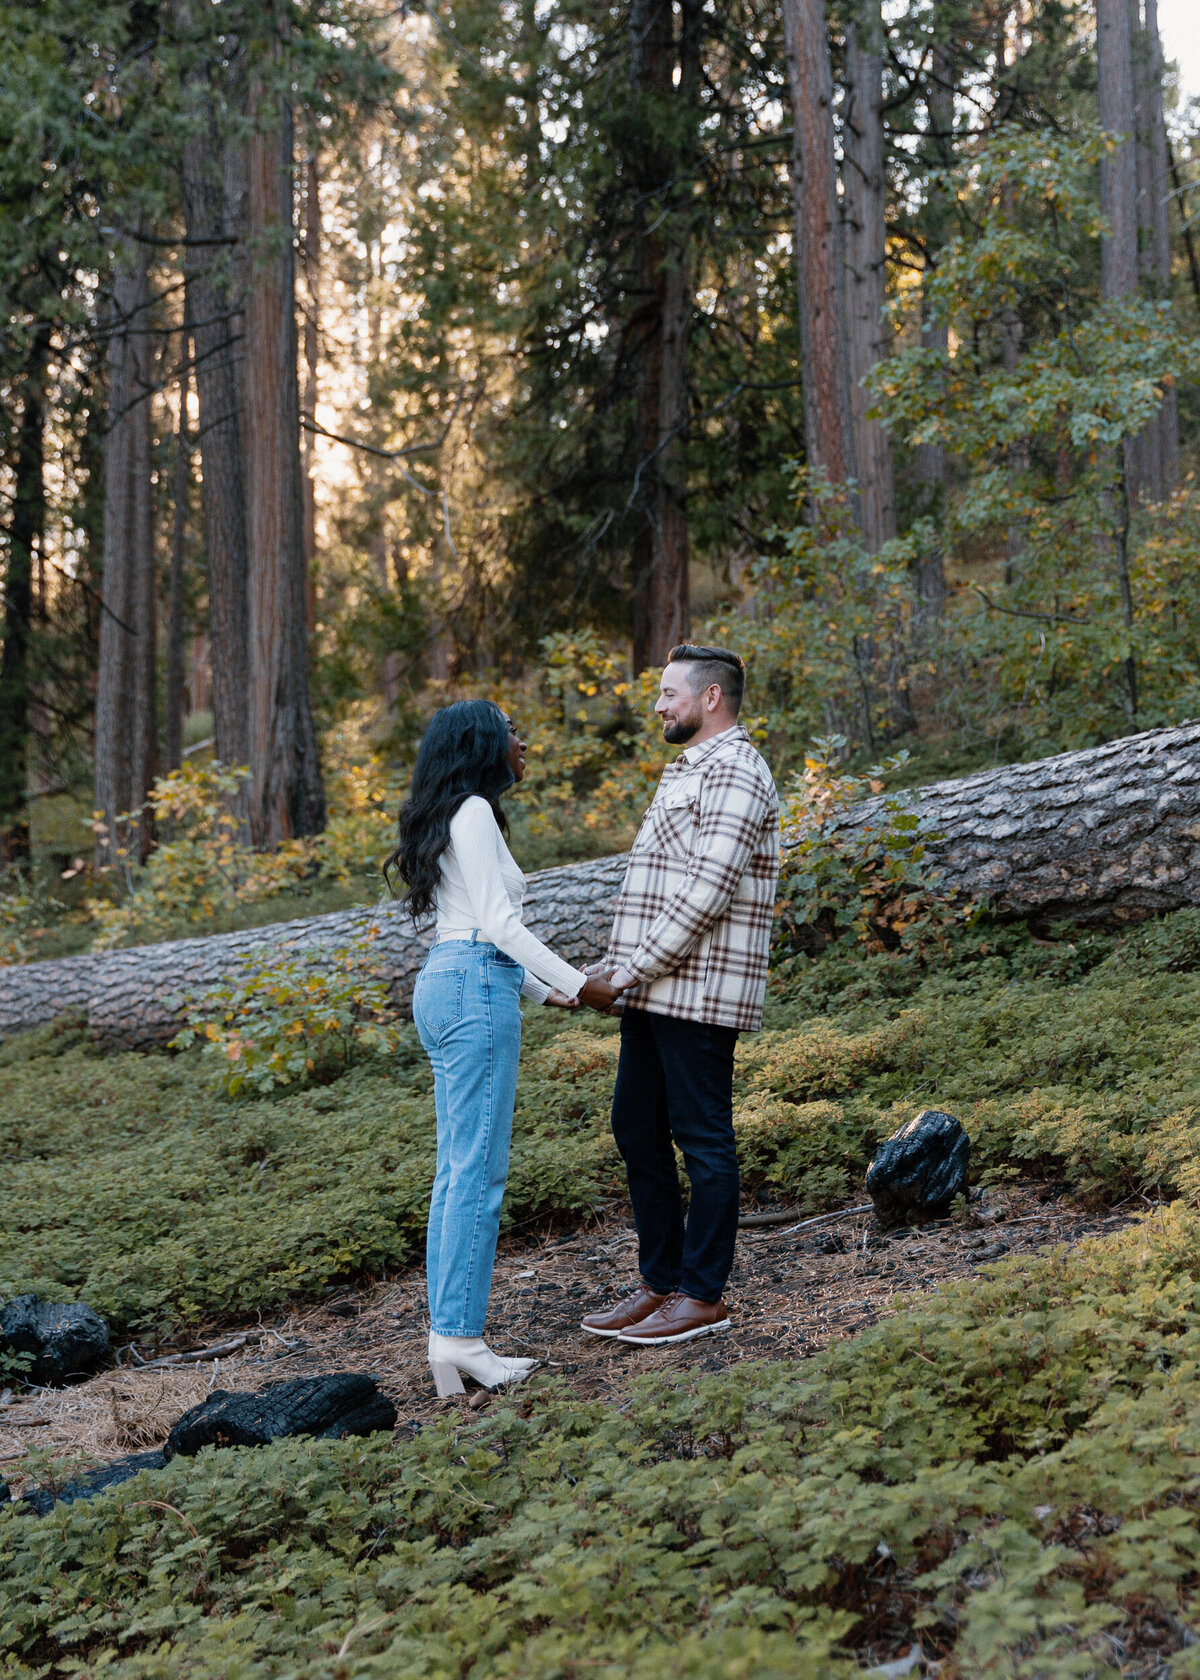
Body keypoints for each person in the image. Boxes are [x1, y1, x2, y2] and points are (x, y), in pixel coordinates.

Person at [388, 699, 620, 1396]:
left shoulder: (455, 814)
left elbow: (468, 925)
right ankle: (459, 1338)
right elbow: (495, 923)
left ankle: (448, 1339)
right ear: (484, 743)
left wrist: (543, 992)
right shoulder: (476, 812)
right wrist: (583, 981)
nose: (524, 742)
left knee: (457, 1173)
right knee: (477, 1175)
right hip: (470, 986)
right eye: (513, 731)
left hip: (449, 982)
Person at [581, 644, 779, 1347]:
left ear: (711, 698)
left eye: (669, 693)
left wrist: (624, 973)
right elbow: (653, 894)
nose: (659, 706)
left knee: (702, 1139)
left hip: (697, 993)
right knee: (636, 1128)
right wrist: (597, 976)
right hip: (653, 989)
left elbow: (707, 892)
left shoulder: (736, 770)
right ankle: (660, 1283)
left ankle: (702, 1294)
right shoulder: (688, 770)